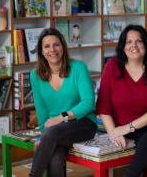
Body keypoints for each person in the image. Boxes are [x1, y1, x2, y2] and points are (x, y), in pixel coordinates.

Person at [96, 25, 147, 177]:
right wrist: (114, 133)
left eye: (139, 41)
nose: (134, 45)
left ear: (146, 44)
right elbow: (103, 107)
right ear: (123, 47)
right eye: (128, 41)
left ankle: (130, 174)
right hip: (125, 127)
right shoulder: (112, 66)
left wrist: (129, 127)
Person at [29, 28, 97, 177]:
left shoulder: (79, 68)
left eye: (56, 45)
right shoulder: (36, 75)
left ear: (63, 47)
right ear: (41, 51)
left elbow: (88, 103)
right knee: (55, 154)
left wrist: (60, 118)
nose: (52, 50)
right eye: (46, 46)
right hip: (55, 131)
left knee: (52, 135)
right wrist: (43, 138)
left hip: (84, 123)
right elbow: (42, 110)